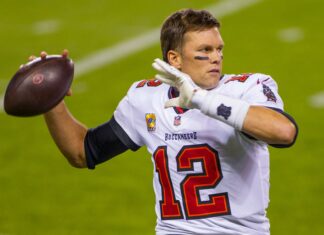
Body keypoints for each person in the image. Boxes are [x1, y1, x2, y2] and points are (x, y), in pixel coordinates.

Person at [38, 9, 298, 235]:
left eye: (219, 49)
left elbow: (284, 132)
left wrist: (200, 100)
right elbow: (83, 152)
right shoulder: (146, 98)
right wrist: (51, 100)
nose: (216, 57)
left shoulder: (247, 88)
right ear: (174, 59)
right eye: (204, 51)